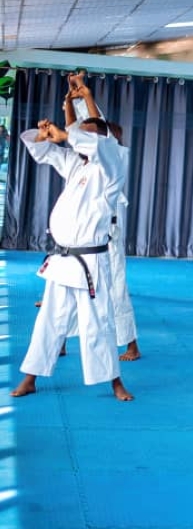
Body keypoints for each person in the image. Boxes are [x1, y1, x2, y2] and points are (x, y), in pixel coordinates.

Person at [10, 113, 133, 401]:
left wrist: (67, 134)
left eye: (87, 134)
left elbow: (97, 146)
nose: (80, 138)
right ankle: (30, 378)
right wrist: (43, 136)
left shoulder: (112, 168)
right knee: (49, 320)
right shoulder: (77, 165)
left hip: (91, 262)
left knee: (98, 323)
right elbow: (45, 153)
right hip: (64, 261)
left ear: (101, 140)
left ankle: (116, 383)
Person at [66, 75, 142, 362]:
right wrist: (70, 99)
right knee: (72, 283)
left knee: (116, 288)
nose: (86, 138)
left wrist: (87, 96)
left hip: (107, 235)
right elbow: (76, 130)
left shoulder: (114, 156)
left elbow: (96, 129)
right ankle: (61, 338)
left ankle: (131, 344)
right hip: (82, 233)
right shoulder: (85, 163)